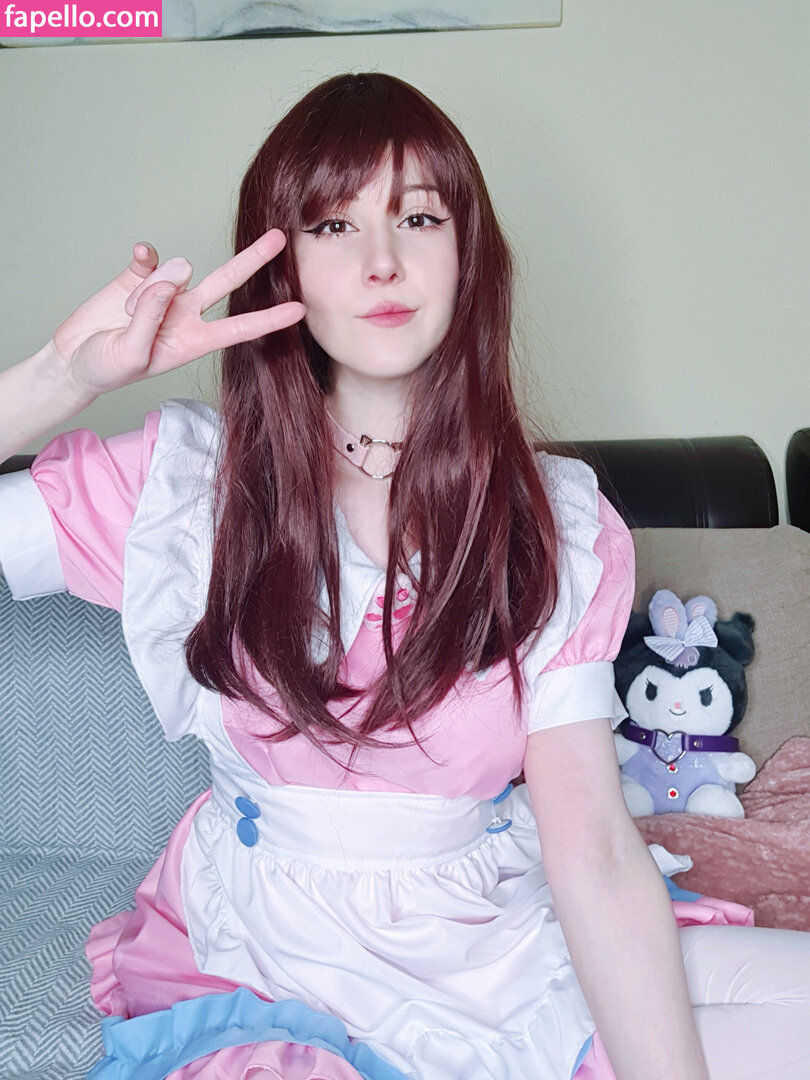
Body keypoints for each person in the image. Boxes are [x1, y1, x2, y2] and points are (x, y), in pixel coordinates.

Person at [1, 71, 809, 1080]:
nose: (382, 260)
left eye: (418, 217)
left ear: (469, 254)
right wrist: (59, 379)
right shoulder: (184, 484)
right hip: (266, 957)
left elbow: (595, 851)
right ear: (282, 266)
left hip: (492, 940)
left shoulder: (553, 519)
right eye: (335, 226)